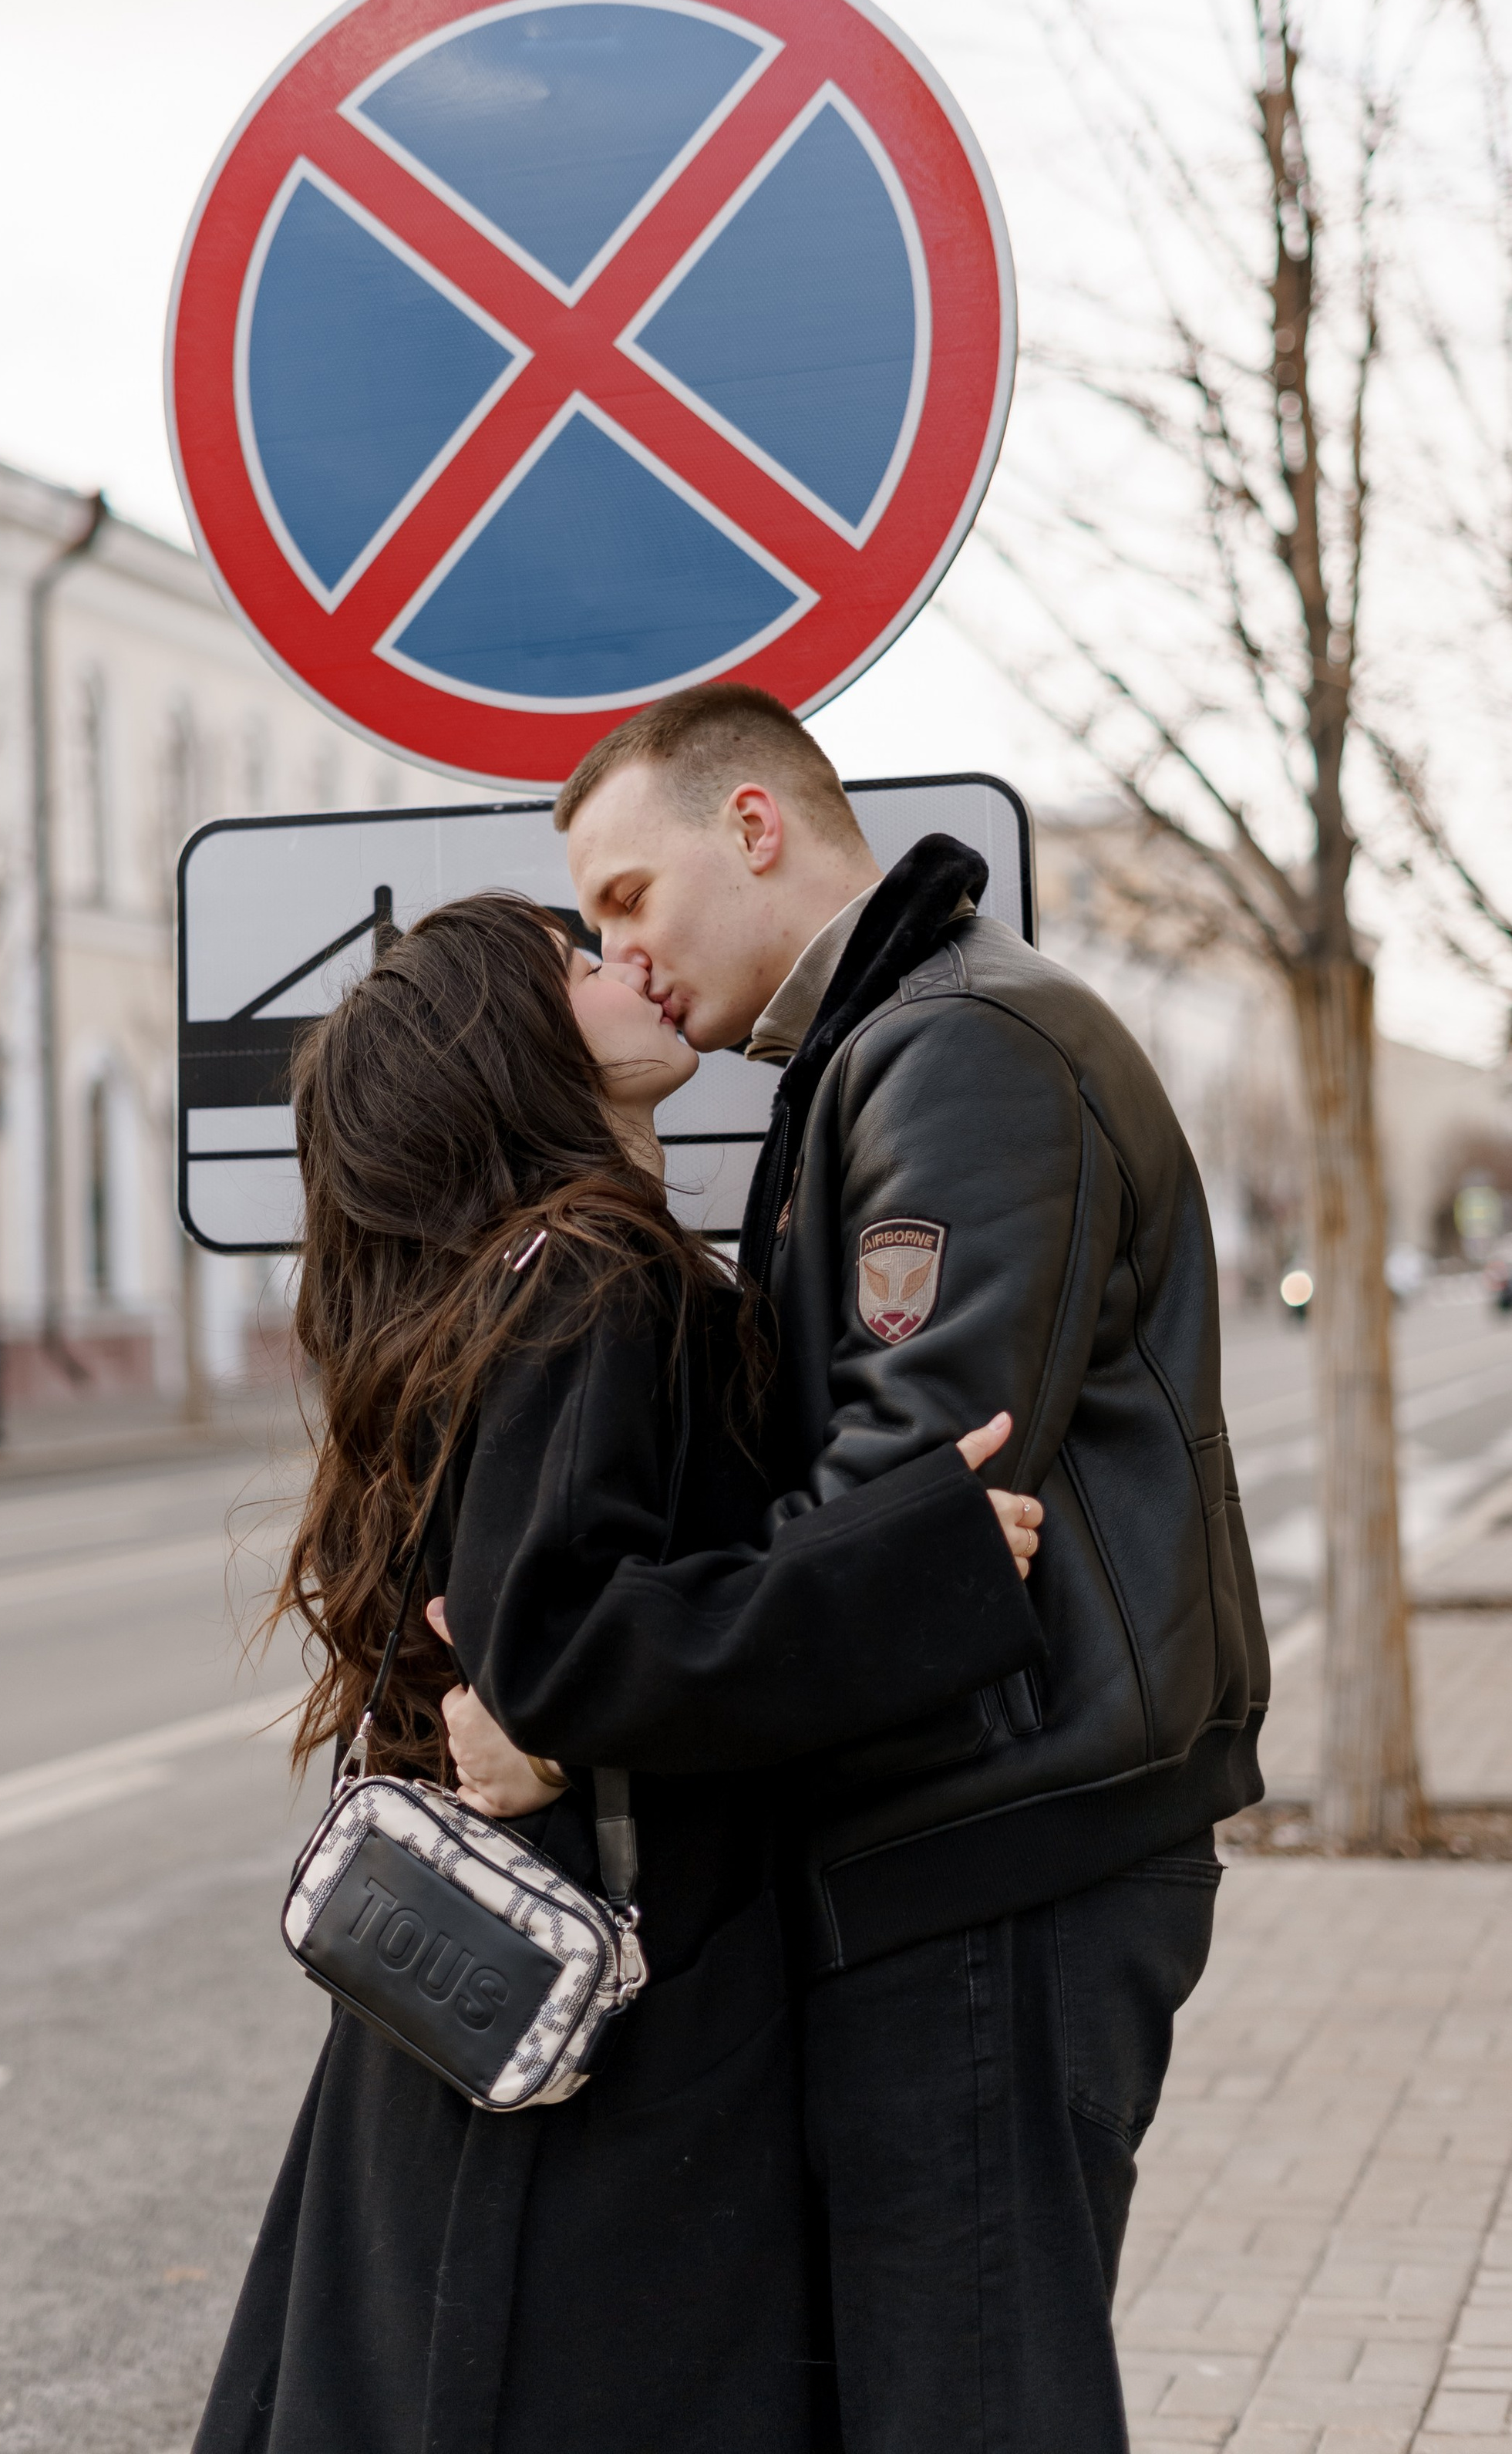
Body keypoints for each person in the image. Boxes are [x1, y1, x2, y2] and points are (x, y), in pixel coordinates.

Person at [447, 683, 1271, 2454]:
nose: (624, 954)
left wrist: (589, 1715)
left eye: (624, 898)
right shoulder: (886, 1045)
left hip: (990, 1843)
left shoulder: (953, 1047)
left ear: (750, 829)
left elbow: (911, 1509)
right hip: (966, 1835)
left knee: (965, 2401)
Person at [193, 891, 1045, 2454]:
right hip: (608, 2003)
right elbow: (563, 1638)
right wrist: (911, 1564)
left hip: (515, 1967)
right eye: (573, 962)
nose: (621, 962)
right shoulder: (589, 1275)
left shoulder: (523, 1277)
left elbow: (530, 1640)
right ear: (510, 1043)